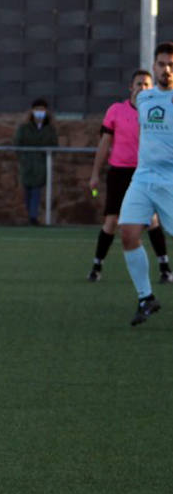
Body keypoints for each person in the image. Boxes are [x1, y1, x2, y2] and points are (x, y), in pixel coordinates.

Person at [87, 69, 171, 283]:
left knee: (152, 221)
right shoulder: (116, 110)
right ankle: (97, 265)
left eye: (146, 85)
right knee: (112, 220)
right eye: (138, 84)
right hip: (119, 172)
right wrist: (95, 173)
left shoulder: (156, 108)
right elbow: (104, 144)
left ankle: (164, 267)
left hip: (145, 172)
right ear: (130, 87)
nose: (142, 88)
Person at [117, 42, 173, 325]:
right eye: (162, 64)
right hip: (143, 177)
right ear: (154, 67)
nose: (167, 70)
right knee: (128, 234)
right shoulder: (144, 99)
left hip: (171, 180)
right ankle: (146, 297)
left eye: (171, 65)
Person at [12, 98, 58, 226]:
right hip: (27, 164)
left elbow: (54, 146)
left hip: (41, 165)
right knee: (27, 191)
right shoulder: (24, 128)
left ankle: (33, 216)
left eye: (42, 109)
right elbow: (18, 144)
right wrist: (23, 158)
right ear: (32, 111)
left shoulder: (49, 129)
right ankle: (30, 215)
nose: (39, 112)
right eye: (37, 109)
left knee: (36, 191)